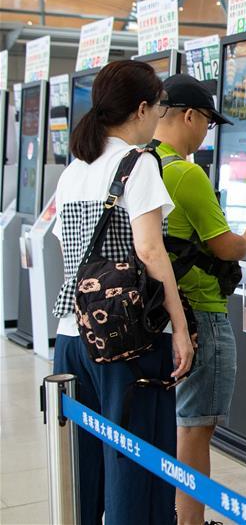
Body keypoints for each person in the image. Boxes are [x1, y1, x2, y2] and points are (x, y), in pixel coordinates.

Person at [52, 60, 194, 525]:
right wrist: (179, 326)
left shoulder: (74, 170)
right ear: (140, 109)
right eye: (158, 107)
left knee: (83, 466)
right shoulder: (139, 163)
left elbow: (62, 245)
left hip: (72, 335)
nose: (159, 118)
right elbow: (151, 251)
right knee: (138, 464)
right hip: (126, 339)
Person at [152, 74, 246, 525]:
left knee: (181, 423)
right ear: (189, 116)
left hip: (163, 315)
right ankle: (190, 521)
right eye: (207, 122)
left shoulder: (140, 164)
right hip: (201, 314)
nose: (208, 132)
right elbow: (223, 246)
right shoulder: (186, 173)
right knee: (196, 429)